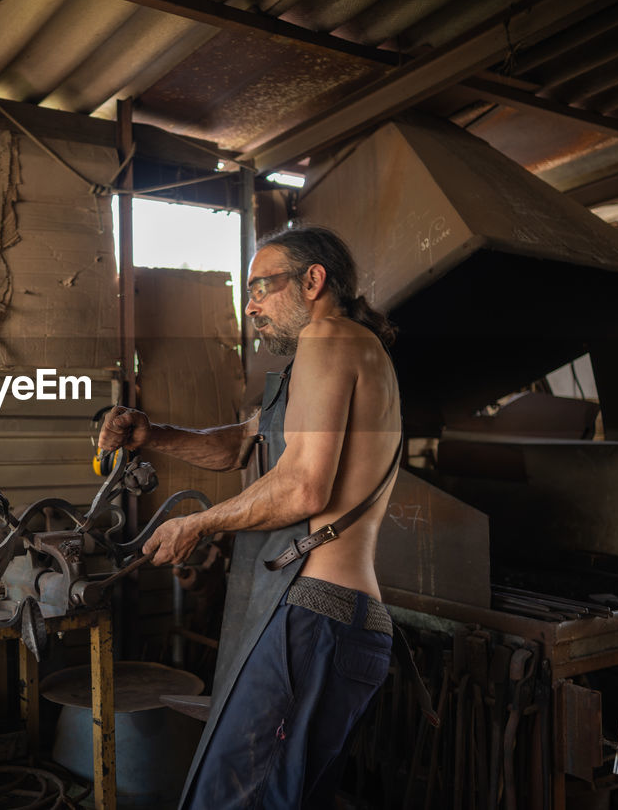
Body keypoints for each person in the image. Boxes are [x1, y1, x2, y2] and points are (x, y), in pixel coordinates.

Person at [98, 225, 403, 809]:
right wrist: (153, 433)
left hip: (317, 617)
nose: (251, 304)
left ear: (314, 281)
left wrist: (199, 523)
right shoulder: (336, 356)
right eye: (248, 291)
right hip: (336, 624)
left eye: (262, 286)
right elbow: (241, 447)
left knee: (231, 800)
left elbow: (303, 485)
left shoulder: (328, 337)